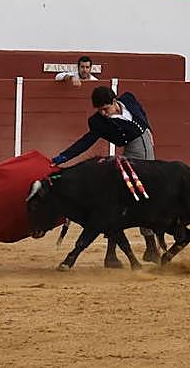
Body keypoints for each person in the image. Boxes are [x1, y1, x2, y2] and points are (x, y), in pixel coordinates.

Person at [50, 85, 161, 264]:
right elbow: (85, 142)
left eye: (105, 108)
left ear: (114, 101)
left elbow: (141, 112)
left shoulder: (129, 98)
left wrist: (148, 130)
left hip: (144, 144)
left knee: (132, 198)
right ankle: (147, 248)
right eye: (99, 110)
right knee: (139, 197)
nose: (103, 113)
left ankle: (126, 252)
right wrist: (63, 157)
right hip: (134, 151)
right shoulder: (98, 122)